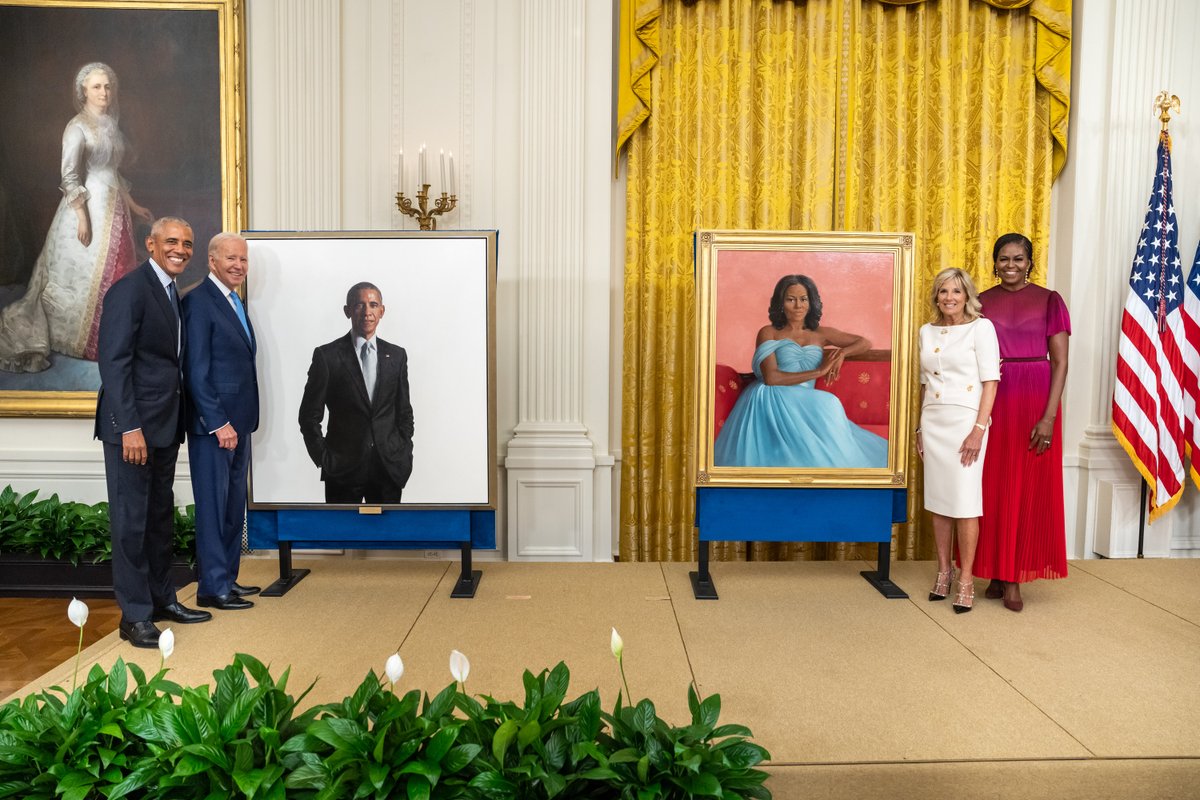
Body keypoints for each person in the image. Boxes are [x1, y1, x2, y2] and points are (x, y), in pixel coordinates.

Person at [95, 217, 210, 647]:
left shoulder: (171, 293)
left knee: (159, 519)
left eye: (188, 243)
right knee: (131, 523)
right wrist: (130, 428)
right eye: (172, 242)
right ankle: (135, 616)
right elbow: (115, 364)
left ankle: (163, 599)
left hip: (164, 427)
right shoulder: (130, 289)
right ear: (151, 244)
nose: (181, 249)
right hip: (134, 430)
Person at [0, 62, 153, 373]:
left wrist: (134, 206)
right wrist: (82, 217)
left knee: (121, 274)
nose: (104, 92)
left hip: (115, 209)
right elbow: (70, 177)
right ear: (83, 91)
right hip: (88, 208)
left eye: (107, 86)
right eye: (97, 87)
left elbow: (113, 173)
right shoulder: (77, 126)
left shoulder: (110, 124)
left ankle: (119, 339)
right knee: (86, 277)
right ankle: (88, 340)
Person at [975, 234, 1070, 612]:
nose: (1010, 265)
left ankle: (1014, 577)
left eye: (1018, 259)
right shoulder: (981, 300)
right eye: (1003, 259)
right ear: (994, 262)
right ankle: (996, 571)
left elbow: (1060, 362)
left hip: (1034, 400)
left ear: (1030, 262)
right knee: (993, 486)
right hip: (994, 395)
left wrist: (1048, 417)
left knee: (1026, 486)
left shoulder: (1049, 300)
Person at [713, 274, 888, 468]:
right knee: (828, 402)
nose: (798, 306)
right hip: (771, 396)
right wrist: (819, 371)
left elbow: (864, 343)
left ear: (811, 302)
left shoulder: (821, 334)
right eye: (791, 299)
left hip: (804, 397)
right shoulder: (769, 332)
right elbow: (771, 378)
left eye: (803, 299)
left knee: (826, 405)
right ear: (780, 303)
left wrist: (842, 353)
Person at [183, 233, 260, 611]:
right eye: (231, 258)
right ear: (212, 261)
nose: (238, 266)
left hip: (239, 422)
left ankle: (227, 578)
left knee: (232, 508)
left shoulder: (235, 301)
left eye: (243, 260)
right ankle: (212, 588)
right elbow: (195, 372)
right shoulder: (198, 302)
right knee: (213, 508)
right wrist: (217, 422)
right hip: (214, 427)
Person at [917, 268, 1000, 613]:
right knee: (939, 501)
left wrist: (978, 429)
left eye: (956, 291)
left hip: (966, 420)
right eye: (942, 292)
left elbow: (990, 381)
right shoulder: (926, 330)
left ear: (967, 295)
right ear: (936, 297)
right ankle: (943, 571)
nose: (949, 298)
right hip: (933, 419)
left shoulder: (982, 328)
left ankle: (966, 579)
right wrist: (919, 428)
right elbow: (924, 382)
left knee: (965, 502)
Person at [299, 282, 414, 503]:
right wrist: (324, 458)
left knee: (386, 537)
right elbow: (308, 416)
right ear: (348, 310)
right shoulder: (327, 356)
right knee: (340, 536)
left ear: (382, 311)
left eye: (373, 305)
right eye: (359, 305)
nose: (367, 312)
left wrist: (402, 452)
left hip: (388, 469)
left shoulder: (397, 356)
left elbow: (404, 412)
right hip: (342, 471)